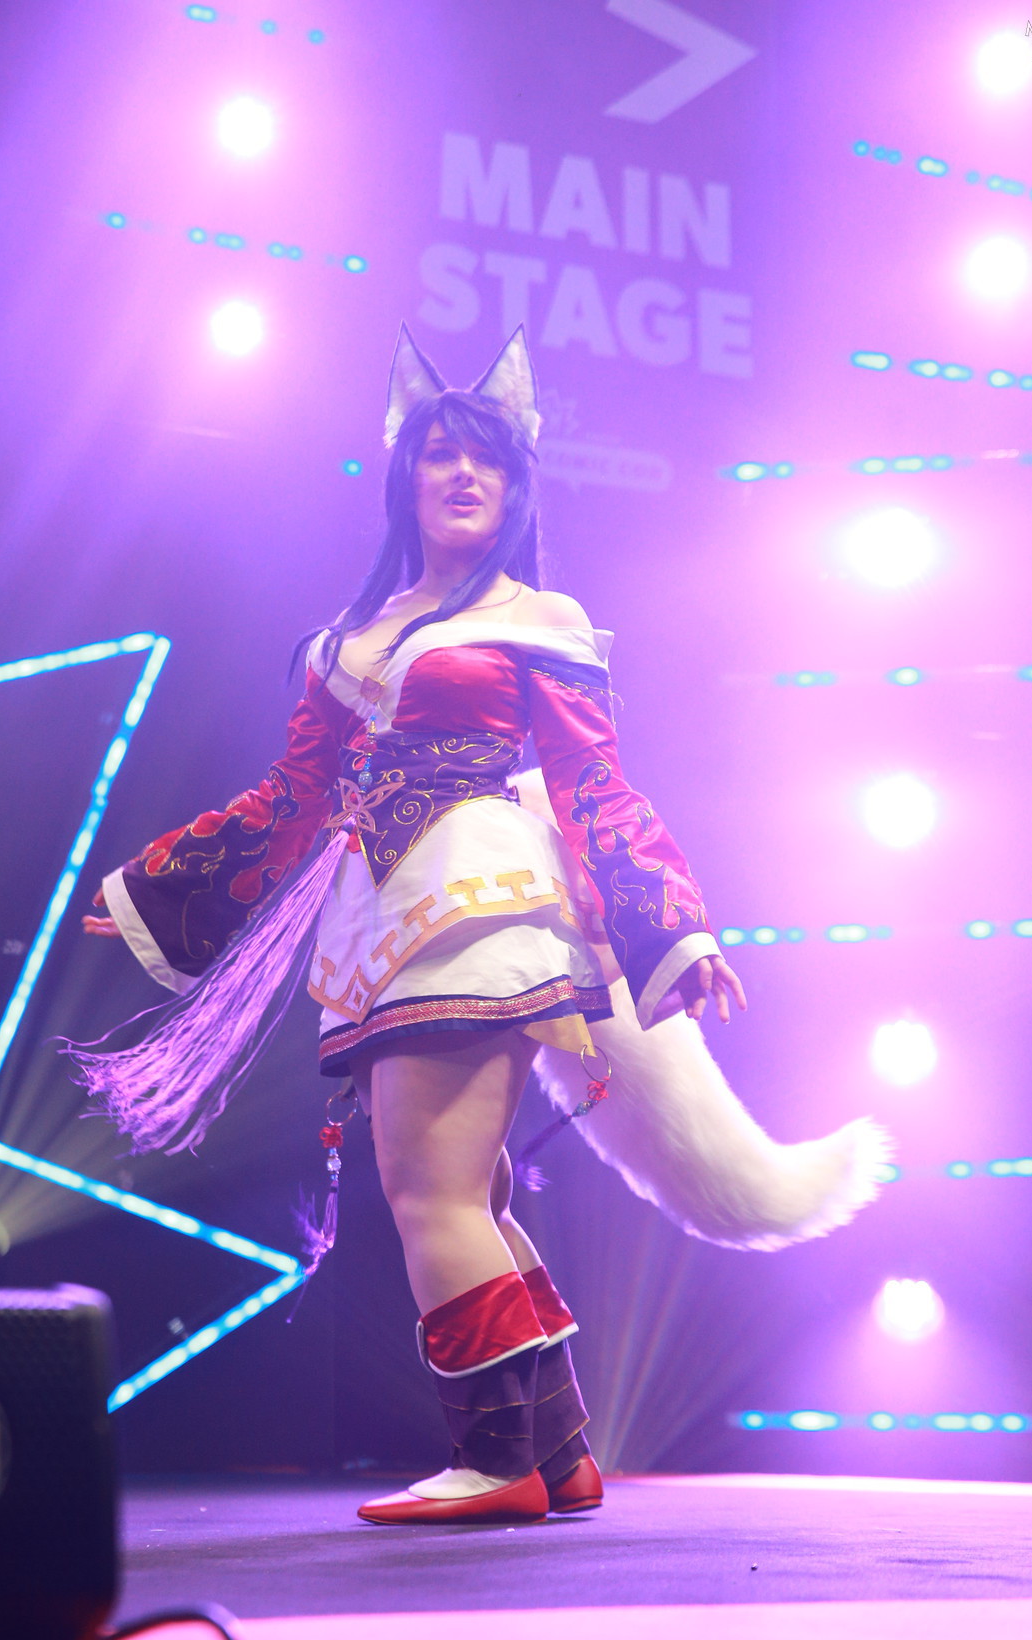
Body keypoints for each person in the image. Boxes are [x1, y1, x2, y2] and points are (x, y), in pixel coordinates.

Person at [79, 325, 880, 1526]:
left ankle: (493, 1458)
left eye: (488, 460)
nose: (463, 475)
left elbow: (597, 786)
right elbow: (292, 799)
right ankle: (555, 1450)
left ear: (516, 487)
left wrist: (676, 926)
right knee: (474, 1194)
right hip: (377, 922)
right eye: (441, 454)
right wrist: (156, 887)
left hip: (481, 901)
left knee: (431, 1192)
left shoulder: (539, 620)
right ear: (403, 475)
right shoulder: (345, 640)